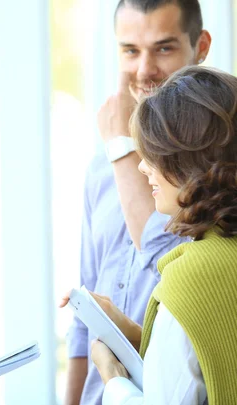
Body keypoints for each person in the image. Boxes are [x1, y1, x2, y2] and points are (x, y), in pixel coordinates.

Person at [65, 1, 212, 404]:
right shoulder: (101, 167)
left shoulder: (220, 164)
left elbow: (162, 251)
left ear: (201, 46)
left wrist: (122, 149)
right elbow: (85, 314)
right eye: (130, 50)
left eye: (163, 48)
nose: (144, 70)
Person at [82, 65, 237, 404]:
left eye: (153, 154)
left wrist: (112, 377)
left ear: (189, 161)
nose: (142, 166)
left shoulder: (193, 275)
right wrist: (136, 334)